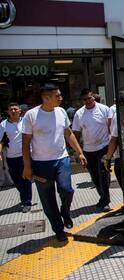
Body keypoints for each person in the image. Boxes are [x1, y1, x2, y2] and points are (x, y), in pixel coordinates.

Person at [22, 84, 87, 242]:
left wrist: (80, 152)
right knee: (48, 200)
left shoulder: (61, 111)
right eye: (57, 96)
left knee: (67, 190)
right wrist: (27, 166)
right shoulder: (31, 115)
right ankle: (58, 229)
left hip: (61, 159)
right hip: (40, 164)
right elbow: (25, 143)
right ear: (46, 98)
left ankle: (65, 212)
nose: (61, 98)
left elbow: (68, 133)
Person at [72, 88, 112, 212]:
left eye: (89, 98)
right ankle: (103, 197)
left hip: (103, 147)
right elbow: (76, 133)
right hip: (88, 150)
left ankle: (105, 201)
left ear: (93, 96)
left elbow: (111, 128)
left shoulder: (104, 109)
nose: (88, 101)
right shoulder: (79, 114)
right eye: (85, 99)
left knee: (103, 173)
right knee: (95, 177)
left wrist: (112, 148)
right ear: (82, 100)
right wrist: (77, 152)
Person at [0, 103, 33, 212]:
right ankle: (24, 196)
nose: (13, 111)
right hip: (11, 157)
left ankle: (26, 202)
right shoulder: (3, 125)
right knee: (16, 180)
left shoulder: (26, 121)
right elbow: (1, 141)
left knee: (26, 179)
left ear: (19, 110)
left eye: (15, 109)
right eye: (11, 110)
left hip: (25, 155)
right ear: (8, 112)